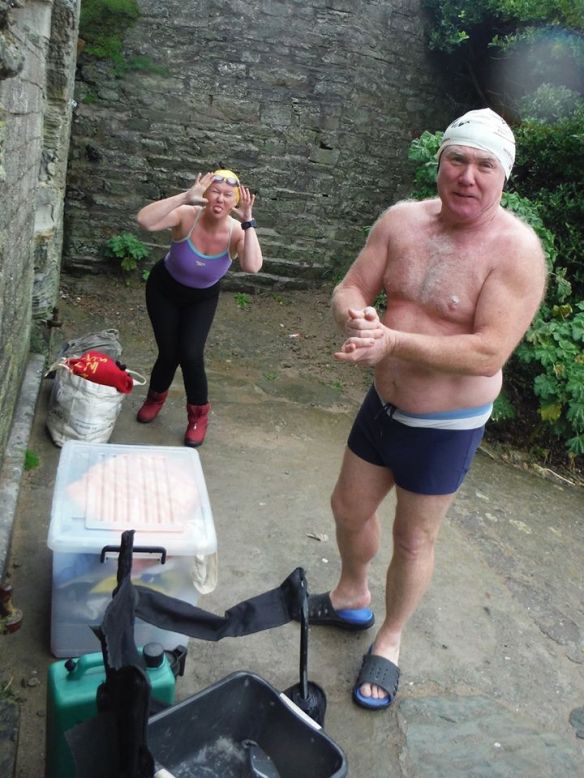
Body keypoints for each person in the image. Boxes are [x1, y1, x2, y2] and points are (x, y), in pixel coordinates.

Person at [307, 108, 547, 711]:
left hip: (444, 426)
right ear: (439, 163)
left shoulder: (516, 252)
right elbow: (350, 286)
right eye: (457, 159)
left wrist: (393, 342)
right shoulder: (401, 222)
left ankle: (388, 641)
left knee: (414, 541)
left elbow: (489, 351)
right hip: (382, 407)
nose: (468, 175)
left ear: (503, 177)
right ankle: (351, 595)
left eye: (484, 165)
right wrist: (356, 316)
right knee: (347, 507)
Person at [135, 169, 263, 447]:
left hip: (201, 298)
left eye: (228, 195)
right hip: (164, 289)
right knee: (169, 353)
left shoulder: (236, 232)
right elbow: (144, 221)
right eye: (215, 191)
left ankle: (198, 416)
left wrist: (248, 222)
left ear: (236, 202)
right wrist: (185, 196)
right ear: (205, 194)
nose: (220, 198)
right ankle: (155, 398)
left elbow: (252, 266)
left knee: (191, 354)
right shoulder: (187, 215)